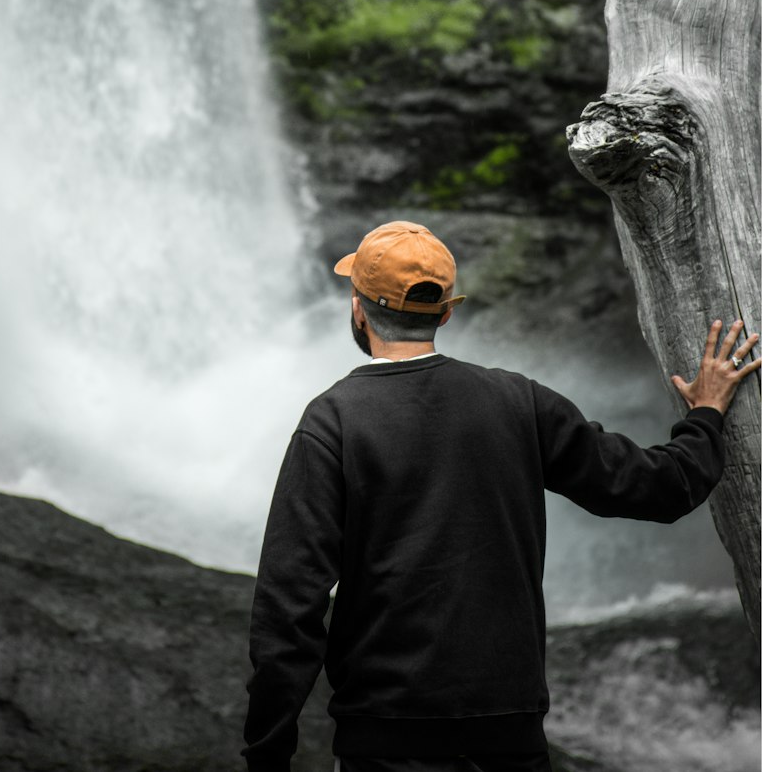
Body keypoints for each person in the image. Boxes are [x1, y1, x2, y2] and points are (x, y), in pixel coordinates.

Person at [242, 220, 760, 772]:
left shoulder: (334, 422)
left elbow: (288, 607)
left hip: (388, 741)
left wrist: (267, 755)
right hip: (510, 740)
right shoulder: (520, 402)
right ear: (445, 312)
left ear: (357, 308)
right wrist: (706, 413)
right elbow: (662, 488)